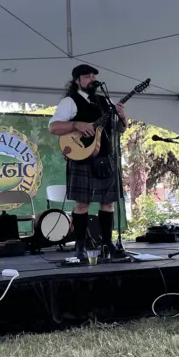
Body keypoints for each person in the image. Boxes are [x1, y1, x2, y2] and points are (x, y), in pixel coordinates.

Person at [48, 64, 128, 262]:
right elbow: (54, 127)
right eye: (87, 76)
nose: (91, 79)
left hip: (106, 158)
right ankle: (80, 246)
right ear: (77, 81)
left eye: (93, 76)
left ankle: (107, 243)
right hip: (82, 157)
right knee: (82, 204)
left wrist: (123, 118)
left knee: (108, 203)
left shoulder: (103, 102)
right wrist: (76, 124)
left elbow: (119, 129)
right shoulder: (70, 101)